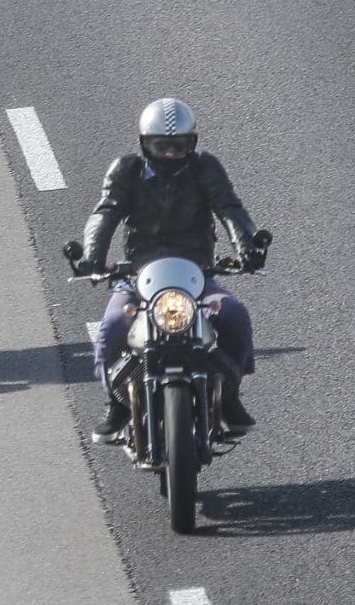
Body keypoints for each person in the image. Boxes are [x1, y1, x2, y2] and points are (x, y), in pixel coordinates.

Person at [77, 100, 267, 435]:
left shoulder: (205, 168)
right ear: (144, 143)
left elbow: (229, 207)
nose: (168, 154)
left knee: (235, 314)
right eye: (160, 146)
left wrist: (247, 246)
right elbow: (105, 212)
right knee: (111, 328)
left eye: (177, 146)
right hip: (138, 277)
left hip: (197, 275)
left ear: (191, 144)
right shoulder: (126, 170)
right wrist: (93, 256)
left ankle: (231, 395)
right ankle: (117, 402)